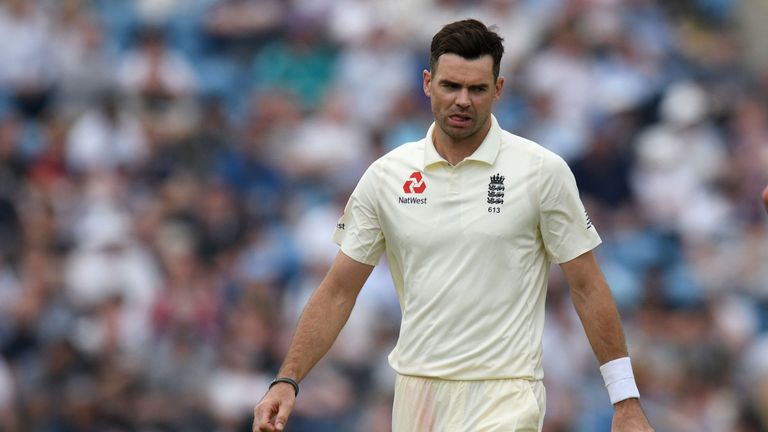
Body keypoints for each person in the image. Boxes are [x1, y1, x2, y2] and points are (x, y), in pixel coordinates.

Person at [253, 19, 654, 432]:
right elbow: (338, 290)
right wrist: (287, 380)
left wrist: (625, 399)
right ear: (428, 83)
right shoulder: (387, 175)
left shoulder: (541, 171)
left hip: (505, 393)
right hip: (417, 394)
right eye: (450, 86)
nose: (462, 100)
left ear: (498, 90)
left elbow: (587, 284)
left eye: (477, 89)